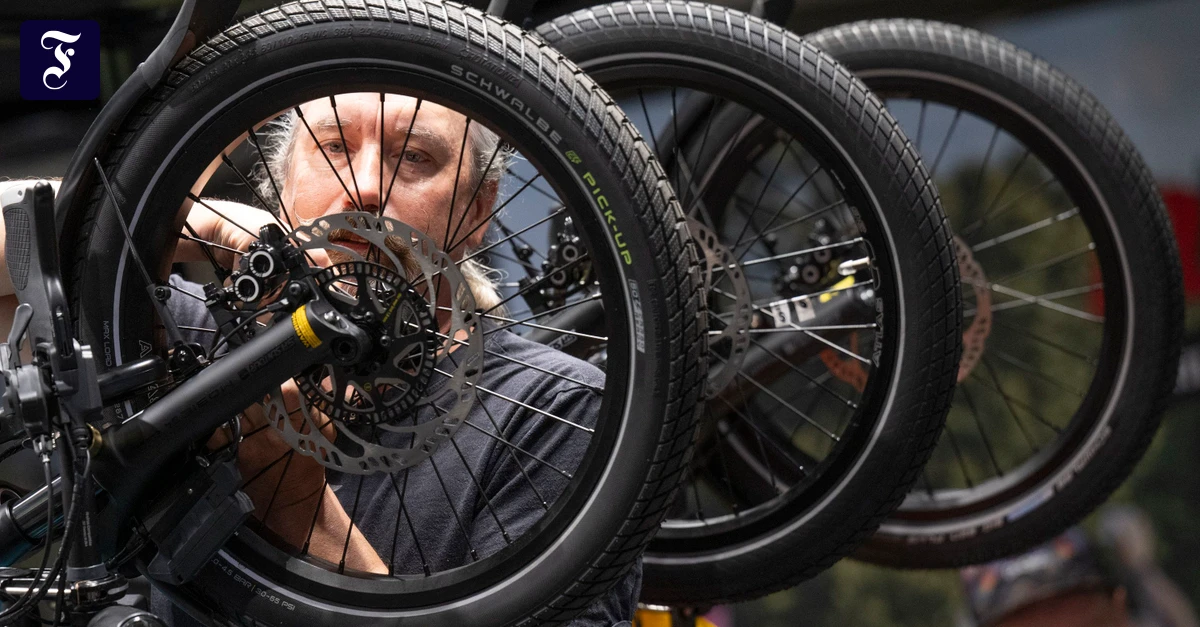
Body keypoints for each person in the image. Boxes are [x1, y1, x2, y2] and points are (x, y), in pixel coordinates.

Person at [0, 93, 638, 626]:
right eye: (334, 147)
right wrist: (184, 220)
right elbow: (22, 238)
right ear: (282, 189)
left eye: (413, 158)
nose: (363, 186)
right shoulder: (187, 337)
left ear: (477, 210)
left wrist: (302, 515)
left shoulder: (558, 415)